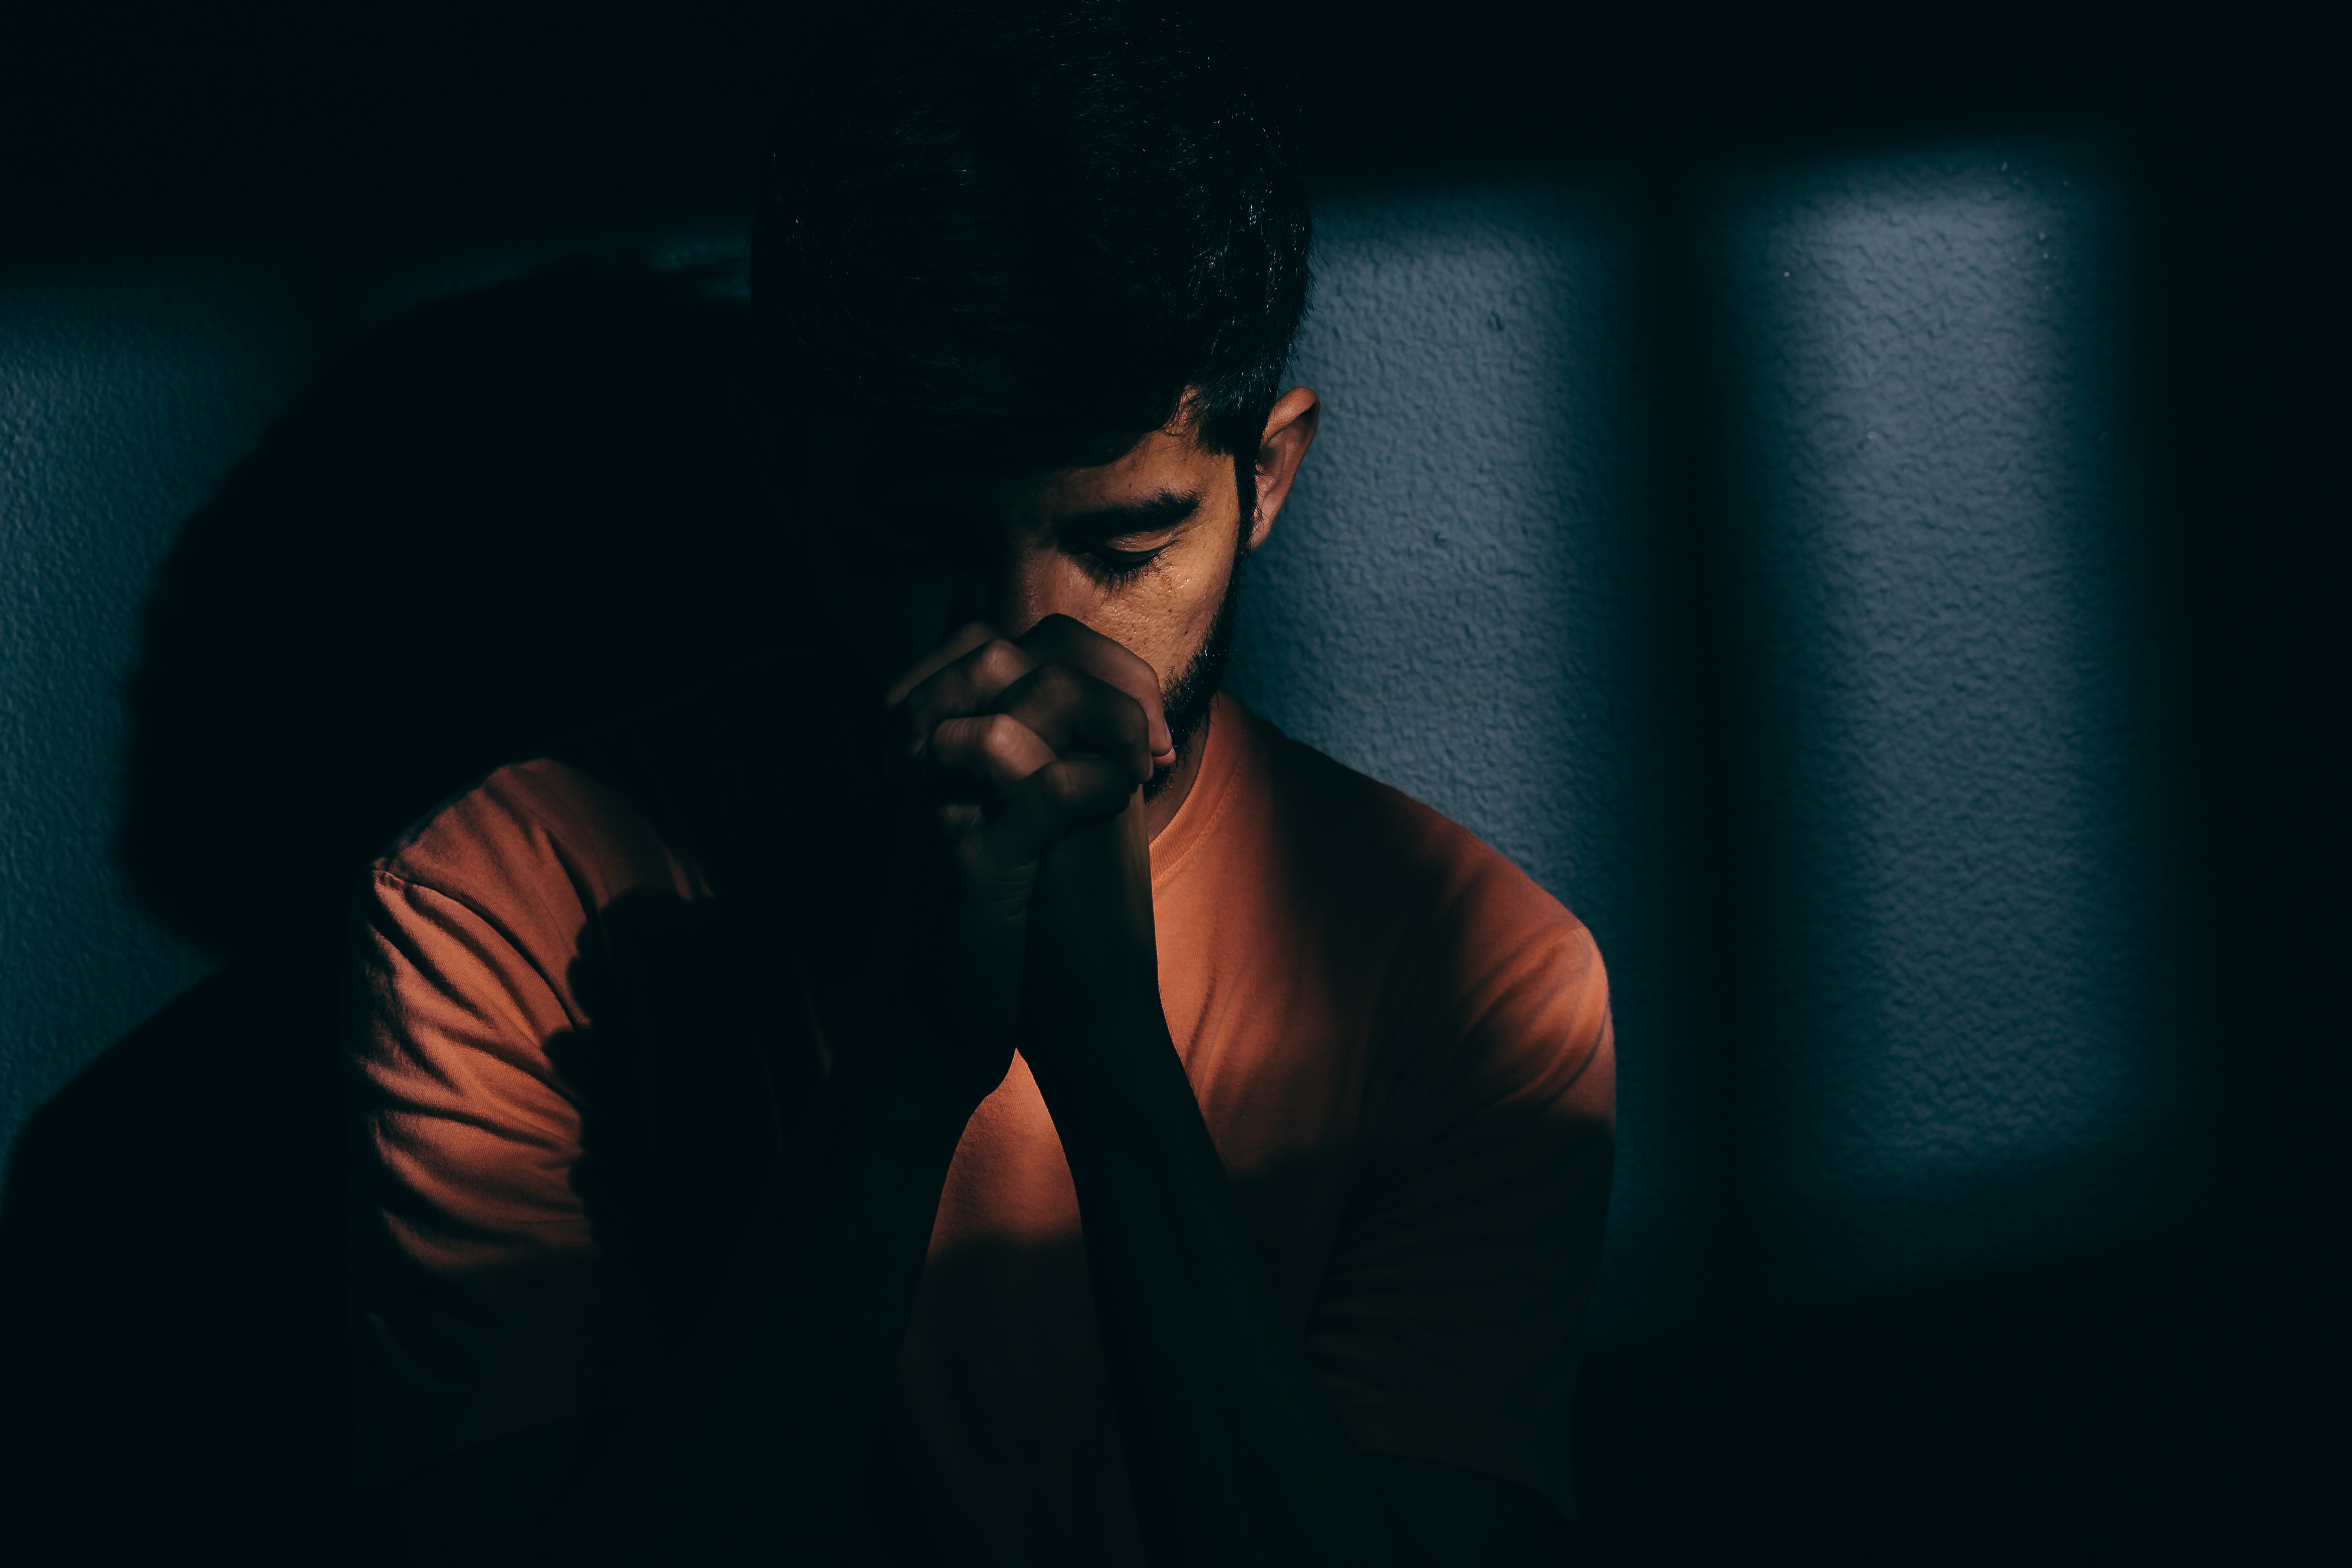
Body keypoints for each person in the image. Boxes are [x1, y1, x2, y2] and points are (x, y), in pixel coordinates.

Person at [345, 4, 1615, 1562]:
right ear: (788, 472)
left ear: (1266, 480)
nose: (1024, 641)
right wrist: (910, 1065)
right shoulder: (502, 910)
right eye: (920, 540)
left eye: (1124, 546)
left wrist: (1112, 1065)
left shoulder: (1480, 983)